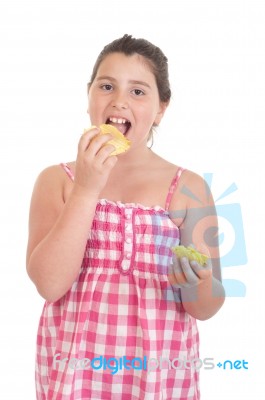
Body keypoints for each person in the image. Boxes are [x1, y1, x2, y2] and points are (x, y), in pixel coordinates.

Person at [26, 34, 225, 400]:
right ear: (89, 96)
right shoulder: (58, 181)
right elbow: (50, 285)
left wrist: (196, 282)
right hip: (75, 375)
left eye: (138, 91)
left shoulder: (188, 187)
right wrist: (87, 189)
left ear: (161, 108)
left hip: (158, 377)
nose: (119, 101)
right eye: (107, 86)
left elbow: (207, 306)